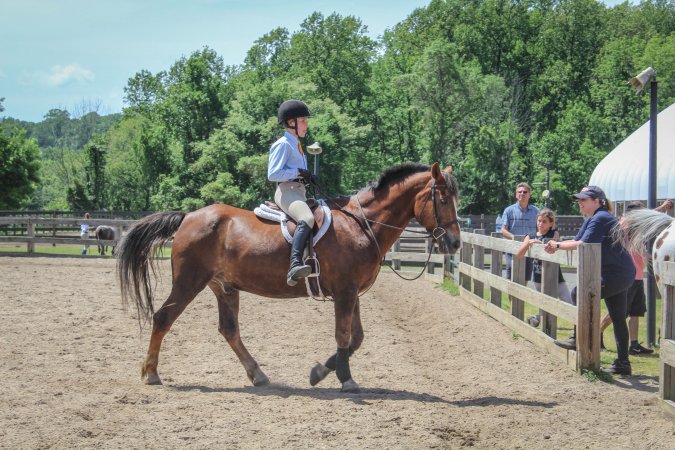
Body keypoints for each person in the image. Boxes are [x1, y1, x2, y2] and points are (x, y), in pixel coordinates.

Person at [545, 186, 635, 375]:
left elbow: (582, 244)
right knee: (618, 318)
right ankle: (623, 363)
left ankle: (577, 338)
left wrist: (557, 245)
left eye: (584, 199)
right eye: (580, 199)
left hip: (615, 274)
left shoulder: (601, 218)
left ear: (597, 201)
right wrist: (559, 245)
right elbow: (578, 240)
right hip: (620, 272)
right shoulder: (594, 218)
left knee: (579, 293)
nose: (580, 202)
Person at [599, 198, 674, 354]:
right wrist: (662, 207)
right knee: (620, 312)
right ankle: (597, 332)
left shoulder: (636, 229)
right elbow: (650, 216)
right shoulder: (625, 223)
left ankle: (634, 344)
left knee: (636, 312)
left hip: (638, 275)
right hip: (629, 275)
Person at [267, 100, 316, 286]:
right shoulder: (283, 144)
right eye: (303, 120)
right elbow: (273, 174)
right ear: (291, 122)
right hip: (286, 191)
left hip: (298, 191)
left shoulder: (297, 145)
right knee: (307, 218)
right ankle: (294, 265)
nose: (306, 124)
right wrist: (297, 173)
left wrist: (308, 177)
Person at [516, 208, 573, 327]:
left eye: (544, 221)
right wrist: (529, 243)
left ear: (551, 223)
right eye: (539, 221)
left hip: (555, 276)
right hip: (538, 277)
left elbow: (551, 250)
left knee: (568, 302)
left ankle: (577, 328)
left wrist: (539, 245)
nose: (541, 224)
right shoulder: (530, 235)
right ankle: (539, 321)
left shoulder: (554, 234)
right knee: (545, 303)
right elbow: (519, 254)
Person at [501, 183, 539, 281]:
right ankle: (511, 296)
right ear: (516, 194)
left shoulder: (536, 211)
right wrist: (515, 238)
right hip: (512, 247)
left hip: (528, 248)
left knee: (526, 277)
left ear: (529, 194)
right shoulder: (509, 210)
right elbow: (503, 230)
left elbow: (541, 229)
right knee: (511, 275)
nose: (522, 193)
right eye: (519, 192)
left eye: (525, 192)